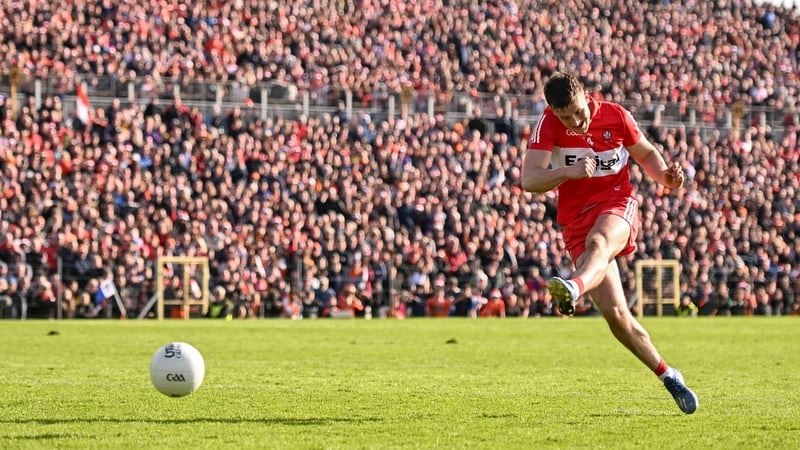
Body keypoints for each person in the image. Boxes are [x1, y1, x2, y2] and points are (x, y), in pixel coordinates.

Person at [521, 71, 698, 414]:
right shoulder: (548, 125)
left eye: (577, 111)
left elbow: (645, 152)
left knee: (600, 242)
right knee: (618, 316)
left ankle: (572, 289)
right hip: (574, 220)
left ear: (585, 95)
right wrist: (567, 172)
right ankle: (668, 374)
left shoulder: (616, 115)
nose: (575, 120)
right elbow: (530, 178)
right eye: (565, 116)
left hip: (616, 203)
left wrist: (665, 177)